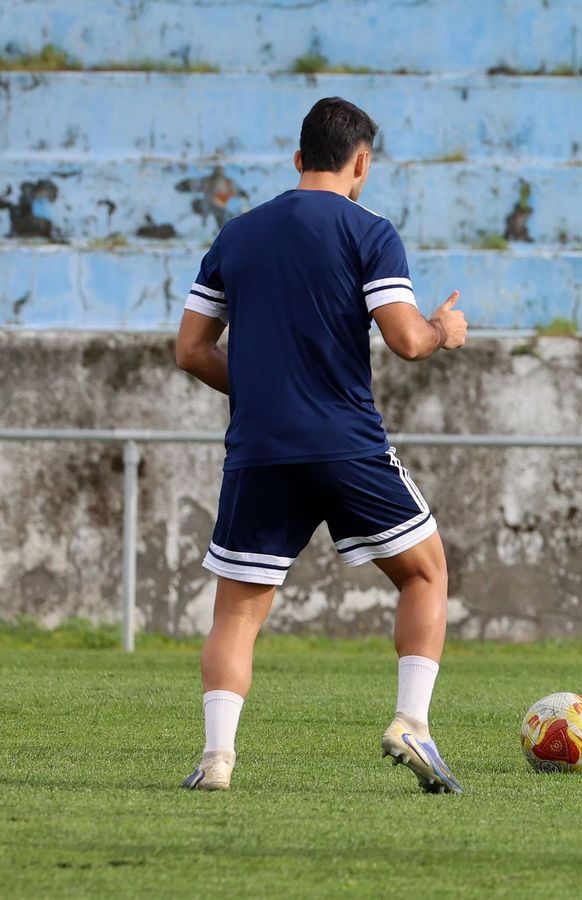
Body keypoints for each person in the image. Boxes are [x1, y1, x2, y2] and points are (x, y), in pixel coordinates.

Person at [173, 97, 469, 793]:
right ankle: (411, 723)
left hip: (258, 448)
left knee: (238, 610)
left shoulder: (237, 234)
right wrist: (443, 329)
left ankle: (217, 758)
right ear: (361, 161)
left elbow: (190, 351)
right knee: (425, 573)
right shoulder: (369, 230)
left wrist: (258, 391)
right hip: (344, 442)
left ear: (299, 157)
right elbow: (403, 339)